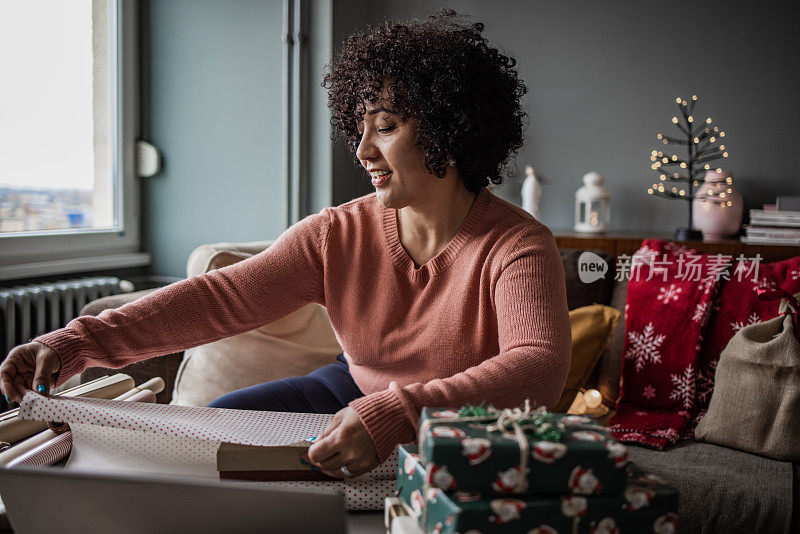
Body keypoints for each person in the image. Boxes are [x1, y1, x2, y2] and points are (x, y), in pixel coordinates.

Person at [0, 11, 570, 480]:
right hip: (352, 384)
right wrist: (80, 342)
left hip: (465, 422)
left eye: (387, 126)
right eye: (360, 128)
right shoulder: (335, 234)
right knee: (216, 429)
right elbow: (220, 300)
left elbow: (537, 367)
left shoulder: (518, 245)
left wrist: (401, 413)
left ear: (451, 126)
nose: (363, 150)